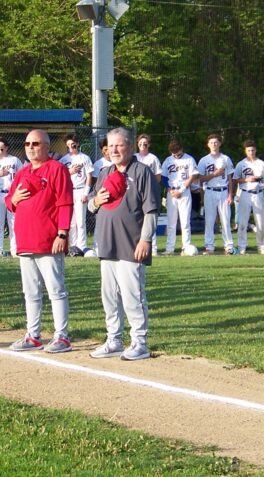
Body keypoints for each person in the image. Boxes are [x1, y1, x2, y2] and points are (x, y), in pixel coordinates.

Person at [87, 127, 159, 361]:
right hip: (107, 243)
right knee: (109, 295)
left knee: (132, 295)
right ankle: (114, 339)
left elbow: (151, 210)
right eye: (111, 145)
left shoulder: (141, 171)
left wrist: (146, 239)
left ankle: (140, 342)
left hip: (131, 243)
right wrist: (96, 200)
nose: (115, 150)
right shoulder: (105, 172)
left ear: (130, 146)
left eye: (120, 145)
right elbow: (91, 204)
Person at [5, 129, 74, 353]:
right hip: (25, 240)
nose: (31, 147)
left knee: (56, 289)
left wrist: (62, 233)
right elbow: (9, 201)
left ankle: (61, 337)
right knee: (30, 292)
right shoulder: (22, 172)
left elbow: (65, 203)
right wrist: (13, 199)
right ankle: (33, 335)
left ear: (46, 146)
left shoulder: (57, 169)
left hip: (48, 241)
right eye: (27, 144)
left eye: (36, 143)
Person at [197, 134, 235, 254]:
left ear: (219, 144)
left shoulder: (226, 159)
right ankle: (209, 246)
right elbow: (200, 179)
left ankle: (229, 246)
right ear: (208, 145)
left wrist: (230, 194)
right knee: (209, 220)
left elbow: (229, 178)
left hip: (223, 191)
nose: (214, 144)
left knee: (225, 219)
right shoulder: (204, 160)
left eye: (216, 142)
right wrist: (214, 174)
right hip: (210, 190)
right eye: (211, 142)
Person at [160, 139, 198, 255]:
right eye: (173, 153)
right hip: (172, 191)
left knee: (185, 221)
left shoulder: (189, 159)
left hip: (184, 191)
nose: (176, 154)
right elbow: (164, 177)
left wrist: (181, 190)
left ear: (181, 149)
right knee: (171, 222)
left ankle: (185, 248)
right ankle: (169, 248)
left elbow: (193, 176)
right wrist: (171, 190)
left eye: (178, 152)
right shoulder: (168, 160)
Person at [59, 133, 93, 254]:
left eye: (73, 145)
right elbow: (60, 177)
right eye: (68, 145)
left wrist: (86, 193)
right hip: (69, 191)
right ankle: (73, 246)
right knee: (71, 222)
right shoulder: (64, 160)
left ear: (77, 144)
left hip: (80, 190)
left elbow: (89, 176)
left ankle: (82, 245)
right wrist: (70, 171)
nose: (71, 147)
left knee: (80, 220)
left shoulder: (85, 158)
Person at [233, 140, 264, 254]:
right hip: (245, 193)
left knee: (260, 221)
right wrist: (246, 179)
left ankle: (261, 245)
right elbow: (235, 179)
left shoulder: (262, 164)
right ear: (245, 151)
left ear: (255, 150)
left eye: (252, 150)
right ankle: (242, 246)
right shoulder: (241, 164)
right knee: (242, 222)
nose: (251, 152)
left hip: (258, 193)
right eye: (248, 150)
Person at [135, 134, 163, 255]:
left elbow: (158, 177)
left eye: (145, 143)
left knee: (150, 217)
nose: (142, 146)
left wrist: (149, 185)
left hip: (149, 191)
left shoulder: (153, 158)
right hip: (136, 191)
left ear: (149, 145)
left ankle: (153, 248)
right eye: (140, 143)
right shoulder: (134, 157)